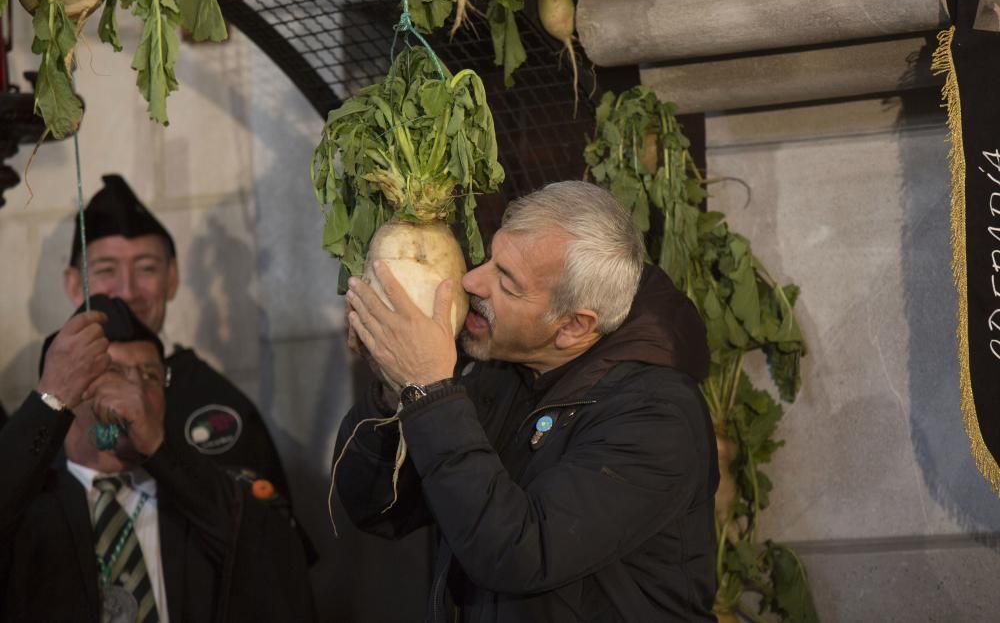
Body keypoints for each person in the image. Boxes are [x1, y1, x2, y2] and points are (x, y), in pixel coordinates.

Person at [336, 180, 719, 622]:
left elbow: (518, 552)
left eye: (507, 280)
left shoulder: (656, 419)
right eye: (491, 259)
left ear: (574, 325)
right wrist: (393, 388)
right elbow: (379, 510)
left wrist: (429, 389)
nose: (472, 281)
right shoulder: (497, 373)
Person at [0, 296, 315, 622]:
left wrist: (159, 447)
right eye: (112, 371)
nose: (135, 390)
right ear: (70, 389)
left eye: (150, 375)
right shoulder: (27, 502)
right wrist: (51, 400)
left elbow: (273, 551)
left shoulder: (197, 495)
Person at [63, 174, 291, 500]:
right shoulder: (53, 397)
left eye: (146, 268)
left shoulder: (220, 408)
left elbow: (269, 538)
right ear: (73, 285)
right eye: (105, 270)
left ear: (172, 278)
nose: (126, 292)